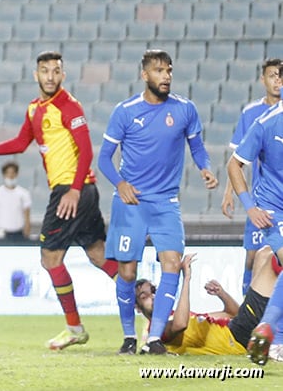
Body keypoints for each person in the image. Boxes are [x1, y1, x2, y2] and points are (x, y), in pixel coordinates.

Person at [0, 51, 118, 350]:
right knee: (98, 255)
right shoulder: (34, 109)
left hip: (72, 190)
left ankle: (75, 327)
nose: (51, 76)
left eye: (56, 71)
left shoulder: (69, 106)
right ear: (36, 75)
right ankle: (153, 309)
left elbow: (87, 152)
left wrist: (74, 190)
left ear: (63, 75)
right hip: (78, 191)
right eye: (45, 71)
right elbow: (19, 142)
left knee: (50, 258)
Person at [98, 49, 218, 356]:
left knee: (172, 265)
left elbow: (197, 148)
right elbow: (104, 159)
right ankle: (128, 336)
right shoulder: (125, 111)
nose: (166, 76)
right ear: (145, 75)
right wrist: (121, 184)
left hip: (166, 202)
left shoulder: (185, 109)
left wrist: (205, 167)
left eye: (169, 70)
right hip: (132, 202)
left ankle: (153, 338)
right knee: (126, 271)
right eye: (159, 71)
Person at [228, 67, 283, 365]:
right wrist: (249, 205)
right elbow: (234, 164)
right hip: (274, 211)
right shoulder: (266, 122)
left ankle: (266, 329)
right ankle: (272, 335)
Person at [136, 247, 278, 356]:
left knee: (263, 253)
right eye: (144, 296)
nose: (153, 296)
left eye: (154, 291)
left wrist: (221, 294)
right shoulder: (156, 330)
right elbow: (180, 324)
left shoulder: (180, 316)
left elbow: (233, 313)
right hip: (238, 340)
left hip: (237, 328)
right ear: (137, 308)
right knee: (272, 261)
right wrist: (186, 278)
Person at [220, 58, 282, 295]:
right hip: (265, 200)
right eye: (272, 76)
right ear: (262, 79)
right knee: (253, 256)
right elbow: (237, 160)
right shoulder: (256, 115)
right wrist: (231, 194)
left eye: (279, 75)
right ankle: (247, 310)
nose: (276, 81)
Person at [0, 161, 32, 241]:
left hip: (18, 233)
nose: (10, 176)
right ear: (4, 175)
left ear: (16, 174)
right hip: (0, 233)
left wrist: (27, 233)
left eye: (13, 173)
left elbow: (27, 216)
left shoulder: (24, 193)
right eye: (8, 173)